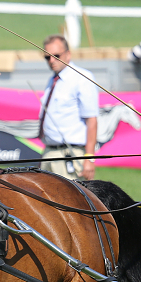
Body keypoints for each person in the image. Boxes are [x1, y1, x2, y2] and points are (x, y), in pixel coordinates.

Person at [38, 34, 98, 180]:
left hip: (69, 154)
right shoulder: (53, 79)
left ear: (68, 54)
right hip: (49, 152)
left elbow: (92, 121)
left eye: (56, 55)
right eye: (47, 57)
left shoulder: (82, 78)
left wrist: (89, 159)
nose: (51, 60)